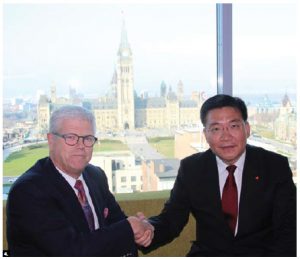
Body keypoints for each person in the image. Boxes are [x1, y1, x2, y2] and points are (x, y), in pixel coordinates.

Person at [140, 94, 296, 256]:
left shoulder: (275, 167)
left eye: (234, 126)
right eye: (216, 129)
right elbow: (172, 219)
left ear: (247, 129)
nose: (226, 136)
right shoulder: (192, 169)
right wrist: (149, 229)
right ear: (205, 134)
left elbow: (288, 231)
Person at [6, 105, 153, 256]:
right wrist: (130, 228)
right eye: (71, 137)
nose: (81, 146)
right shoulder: (28, 191)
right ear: (51, 140)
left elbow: (117, 222)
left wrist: (143, 230)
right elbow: (71, 250)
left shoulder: (96, 176)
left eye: (87, 138)